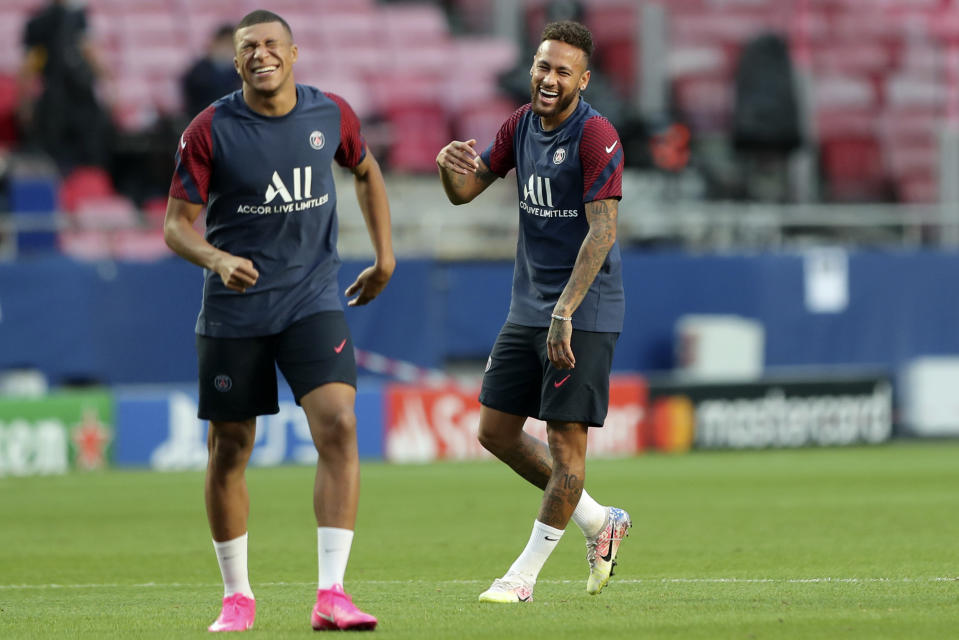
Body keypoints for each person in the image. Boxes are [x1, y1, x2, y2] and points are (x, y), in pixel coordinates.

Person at [164, 10, 394, 632]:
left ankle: (332, 594)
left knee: (340, 425)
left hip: (312, 299)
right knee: (231, 448)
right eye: (248, 48)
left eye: (271, 44)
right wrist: (215, 257)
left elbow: (367, 171)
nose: (261, 54)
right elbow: (174, 225)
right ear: (235, 61)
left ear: (294, 54)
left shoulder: (332, 115)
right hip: (235, 310)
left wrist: (384, 256)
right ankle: (237, 598)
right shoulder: (208, 129)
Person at [436, 20, 631, 603]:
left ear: (583, 79)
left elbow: (603, 232)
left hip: (583, 310)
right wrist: (450, 169)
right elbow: (465, 192)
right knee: (495, 431)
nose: (549, 79)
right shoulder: (520, 125)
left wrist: (566, 310)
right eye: (543, 67)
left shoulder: (597, 136)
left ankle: (522, 577)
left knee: (566, 446)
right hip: (528, 307)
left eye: (562, 71)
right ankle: (601, 521)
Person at [19, 0, 113, 171]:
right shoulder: (46, 22)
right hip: (64, 103)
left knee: (70, 162)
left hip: (66, 102)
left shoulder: (46, 21)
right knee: (79, 161)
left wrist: (25, 102)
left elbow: (30, 66)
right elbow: (31, 66)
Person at [182, 24, 243, 120]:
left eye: (231, 45)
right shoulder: (198, 73)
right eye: (224, 43)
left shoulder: (240, 72)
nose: (227, 49)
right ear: (215, 43)